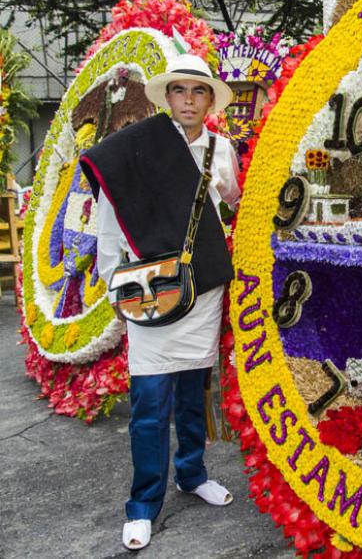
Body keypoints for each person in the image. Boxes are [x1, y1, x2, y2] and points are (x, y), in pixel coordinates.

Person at [80, 53, 241, 550]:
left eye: (197, 91)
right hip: (150, 290)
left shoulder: (222, 150)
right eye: (179, 91)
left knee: (194, 391)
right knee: (150, 403)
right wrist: (113, 282)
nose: (188, 100)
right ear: (166, 98)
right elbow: (109, 221)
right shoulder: (134, 149)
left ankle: (191, 474)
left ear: (210, 100)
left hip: (203, 288)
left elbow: (232, 205)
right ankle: (143, 503)